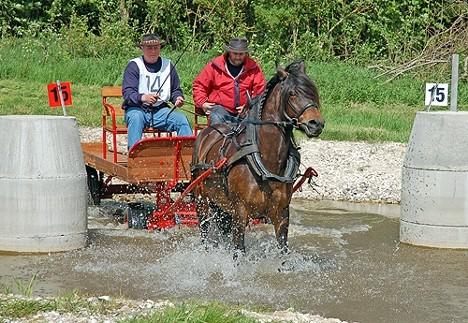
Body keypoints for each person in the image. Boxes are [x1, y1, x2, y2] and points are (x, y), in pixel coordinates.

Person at [122, 33, 192, 149]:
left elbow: (175, 89)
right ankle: (133, 157)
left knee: (181, 120)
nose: (153, 51)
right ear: (142, 49)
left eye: (156, 47)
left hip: (160, 110)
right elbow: (128, 93)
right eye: (149, 48)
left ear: (160, 48)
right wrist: (143, 97)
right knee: (136, 118)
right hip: (138, 109)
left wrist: (178, 98)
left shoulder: (168, 65)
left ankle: (188, 154)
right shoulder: (134, 65)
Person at [192, 37, 266, 125]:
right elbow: (199, 85)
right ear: (229, 52)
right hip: (220, 110)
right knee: (216, 117)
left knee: (255, 126)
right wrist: (202, 103)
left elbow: (261, 92)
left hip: (245, 112)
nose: (238, 57)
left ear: (246, 53)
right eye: (235, 53)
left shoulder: (253, 68)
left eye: (241, 54)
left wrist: (249, 107)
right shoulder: (214, 66)